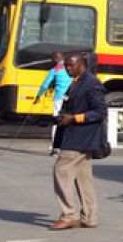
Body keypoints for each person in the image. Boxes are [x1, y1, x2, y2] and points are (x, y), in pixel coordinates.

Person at [49, 52, 107, 231]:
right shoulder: (76, 81)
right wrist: (62, 117)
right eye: (66, 65)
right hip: (78, 136)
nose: (67, 68)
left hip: (80, 138)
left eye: (70, 65)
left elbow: (100, 112)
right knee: (83, 178)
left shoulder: (91, 83)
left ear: (81, 65)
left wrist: (74, 118)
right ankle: (89, 217)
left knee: (61, 170)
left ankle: (68, 215)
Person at [33, 51, 72, 154]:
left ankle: (55, 146)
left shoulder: (54, 70)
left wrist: (38, 96)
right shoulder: (71, 68)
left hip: (59, 98)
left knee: (57, 121)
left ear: (55, 59)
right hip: (71, 97)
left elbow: (45, 85)